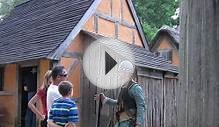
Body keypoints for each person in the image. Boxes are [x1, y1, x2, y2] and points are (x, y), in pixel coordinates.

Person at [95, 60, 146, 127]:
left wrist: (138, 124)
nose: (119, 74)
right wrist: (105, 99)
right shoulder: (124, 87)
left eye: (121, 72)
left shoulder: (135, 88)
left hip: (130, 123)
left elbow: (141, 106)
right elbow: (118, 103)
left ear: (127, 73)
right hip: (122, 122)